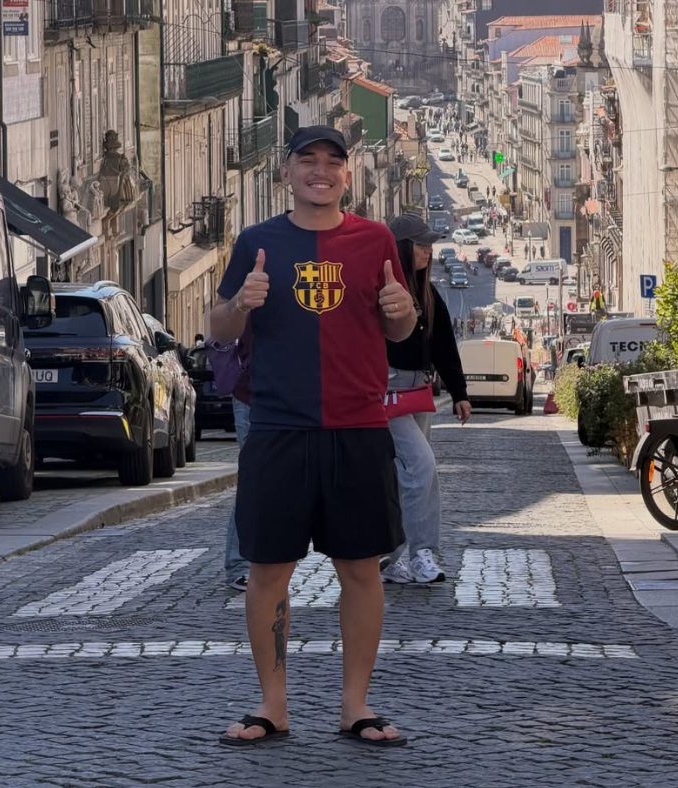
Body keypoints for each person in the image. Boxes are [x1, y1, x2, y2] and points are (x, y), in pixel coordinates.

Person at [210, 125, 416, 748]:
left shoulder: (375, 239)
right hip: (278, 427)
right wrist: (243, 300)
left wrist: (403, 313)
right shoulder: (257, 241)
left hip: (358, 425)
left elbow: (401, 328)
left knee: (361, 569)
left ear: (347, 176)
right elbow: (219, 327)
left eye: (333, 162)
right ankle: (273, 704)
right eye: (307, 160)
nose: (320, 171)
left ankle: (355, 703)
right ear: (287, 172)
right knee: (268, 570)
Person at [381, 215, 471, 585]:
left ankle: (391, 557)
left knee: (405, 477)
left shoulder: (427, 293)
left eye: (429, 244)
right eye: (420, 244)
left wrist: (460, 394)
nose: (428, 250)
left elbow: (444, 346)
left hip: (417, 394)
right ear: (401, 247)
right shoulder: (383, 291)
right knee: (421, 468)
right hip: (385, 394)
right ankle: (421, 553)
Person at [223, 328, 252, 590]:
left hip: (294, 394)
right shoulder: (255, 286)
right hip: (253, 394)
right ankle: (239, 564)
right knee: (253, 482)